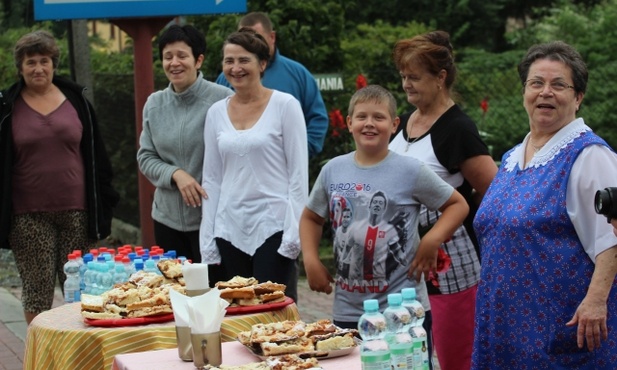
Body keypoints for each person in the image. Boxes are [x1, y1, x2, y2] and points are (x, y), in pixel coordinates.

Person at [300, 85, 469, 370]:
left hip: (403, 311)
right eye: (362, 116)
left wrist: (431, 241)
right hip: (349, 309)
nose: (369, 123)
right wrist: (310, 259)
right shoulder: (333, 170)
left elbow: (458, 205)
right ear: (349, 123)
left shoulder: (410, 170)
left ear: (393, 125)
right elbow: (311, 218)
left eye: (378, 117)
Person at [472, 41, 617, 368]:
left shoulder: (590, 155)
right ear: (525, 92)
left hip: (559, 327)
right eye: (536, 83)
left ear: (578, 97)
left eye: (559, 85)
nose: (545, 92)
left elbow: (613, 235)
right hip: (503, 326)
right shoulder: (511, 157)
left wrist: (596, 302)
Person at [389, 31, 498, 370]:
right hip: (405, 257)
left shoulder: (458, 129)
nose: (406, 84)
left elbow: (495, 192)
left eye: (415, 77)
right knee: (408, 351)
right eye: (403, 76)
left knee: (456, 356)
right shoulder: (407, 121)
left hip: (450, 261)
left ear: (440, 78)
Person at [0, 30, 119, 324]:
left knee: (79, 291)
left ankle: (76, 355)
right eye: (31, 62)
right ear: (21, 67)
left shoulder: (77, 101)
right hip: (28, 217)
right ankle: (42, 358)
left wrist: (104, 209)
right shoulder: (7, 107)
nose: (38, 68)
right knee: (37, 292)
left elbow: (98, 159)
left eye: (44, 61)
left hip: (78, 213)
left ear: (54, 64)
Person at [199, 28, 308, 303]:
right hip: (229, 228)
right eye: (229, 61)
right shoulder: (215, 113)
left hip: (272, 227)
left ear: (262, 63)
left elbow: (298, 176)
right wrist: (208, 238)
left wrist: (294, 236)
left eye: (243, 60)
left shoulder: (286, 106)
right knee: (235, 317)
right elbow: (211, 179)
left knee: (273, 317)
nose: (235, 68)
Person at [137, 25, 233, 268]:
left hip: (213, 220)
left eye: (182, 55)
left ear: (198, 60)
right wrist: (176, 174)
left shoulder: (222, 99)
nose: (174, 63)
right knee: (177, 295)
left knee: (215, 295)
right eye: (168, 57)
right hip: (166, 219)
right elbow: (146, 156)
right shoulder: (154, 104)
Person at [215, 11, 328, 159]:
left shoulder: (298, 74)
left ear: (272, 37)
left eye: (256, 37)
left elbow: (317, 119)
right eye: (245, 38)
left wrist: (297, 151)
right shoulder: (226, 78)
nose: (251, 43)